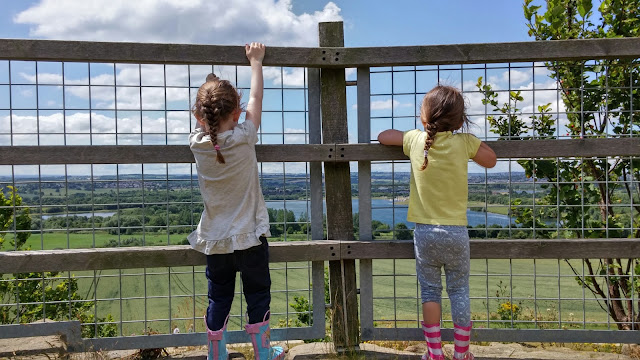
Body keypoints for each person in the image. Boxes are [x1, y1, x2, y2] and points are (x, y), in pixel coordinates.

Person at [377, 85, 497, 360]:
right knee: (459, 290)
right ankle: (462, 353)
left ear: (425, 116)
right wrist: (470, 138)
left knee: (430, 290)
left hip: (425, 233)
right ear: (459, 119)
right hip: (456, 231)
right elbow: (491, 160)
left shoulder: (416, 140)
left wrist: (416, 131)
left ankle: (434, 352)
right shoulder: (464, 142)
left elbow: (383, 136)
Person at [188, 42, 284, 360]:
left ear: (197, 116)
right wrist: (255, 61)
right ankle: (264, 354)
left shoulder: (198, 145)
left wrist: (209, 85)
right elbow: (256, 98)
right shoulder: (245, 136)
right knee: (258, 295)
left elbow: (210, 117)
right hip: (251, 238)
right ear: (237, 113)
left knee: (219, 298)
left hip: (215, 241)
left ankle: (216, 354)